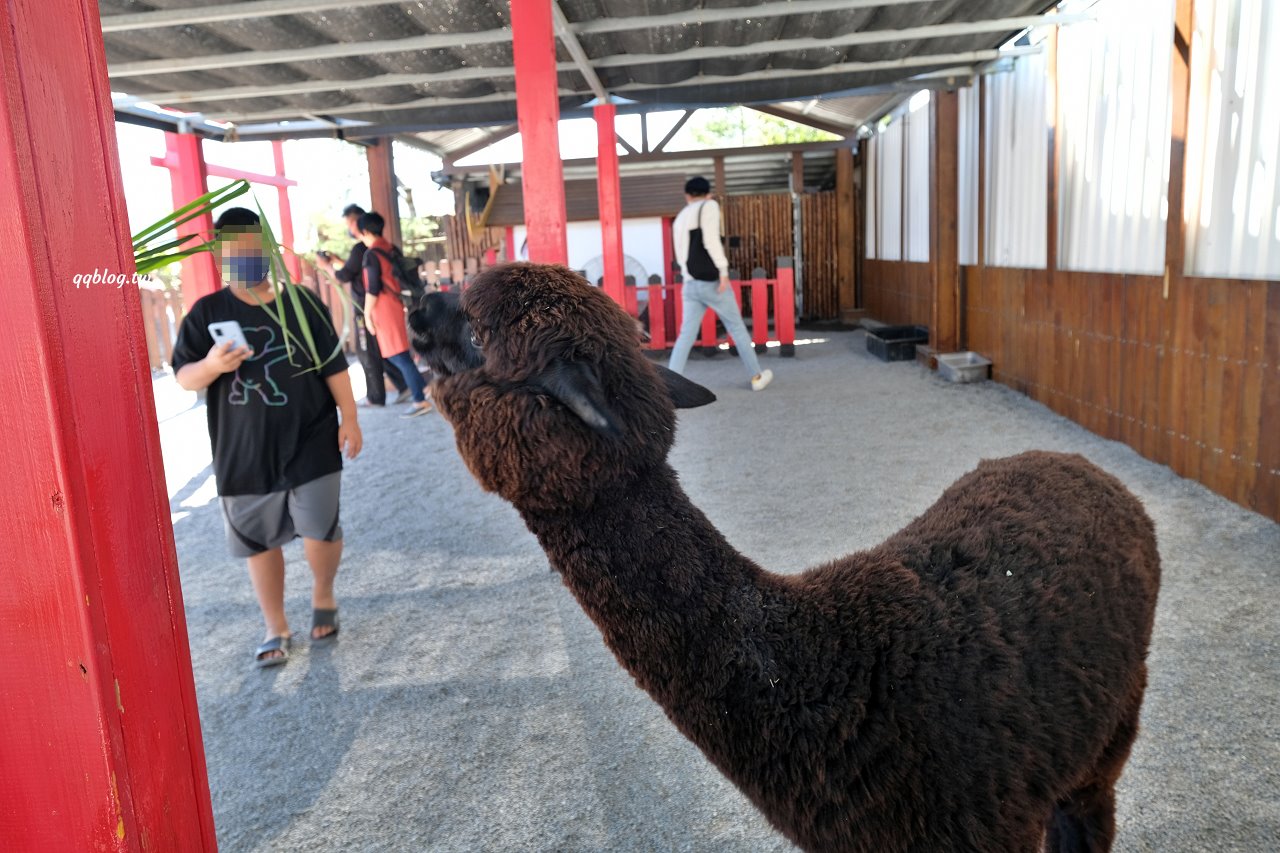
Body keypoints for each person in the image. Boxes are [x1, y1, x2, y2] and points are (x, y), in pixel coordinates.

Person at [171, 207, 363, 668]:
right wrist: (214, 366)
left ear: (268, 249)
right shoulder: (207, 313)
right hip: (243, 452)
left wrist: (350, 417)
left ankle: (323, 595)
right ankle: (275, 625)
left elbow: (334, 364)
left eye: (253, 249)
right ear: (220, 254)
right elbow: (184, 377)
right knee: (259, 544)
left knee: (320, 529)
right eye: (235, 251)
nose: (246, 258)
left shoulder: (301, 302)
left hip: (311, 438)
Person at [668, 176, 773, 391]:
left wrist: (689, 276)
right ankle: (756, 377)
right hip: (712, 282)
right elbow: (710, 240)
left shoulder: (679, 217)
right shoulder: (709, 206)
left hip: (690, 284)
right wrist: (723, 270)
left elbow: (680, 255)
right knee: (736, 327)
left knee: (686, 335)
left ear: (687, 195)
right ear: (708, 193)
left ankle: (670, 384)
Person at [314, 203, 409, 407]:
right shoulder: (383, 246)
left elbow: (346, 276)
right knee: (383, 349)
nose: (350, 228)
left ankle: (378, 396)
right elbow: (353, 270)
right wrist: (337, 261)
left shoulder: (363, 249)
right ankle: (405, 385)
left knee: (367, 351)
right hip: (384, 306)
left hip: (367, 306)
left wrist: (326, 266)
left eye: (350, 223)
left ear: (360, 224)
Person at [357, 211, 433, 417]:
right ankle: (422, 389)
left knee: (398, 356)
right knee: (399, 355)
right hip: (396, 305)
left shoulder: (372, 254)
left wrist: (366, 314)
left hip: (383, 309)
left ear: (364, 231)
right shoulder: (390, 249)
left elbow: (372, 288)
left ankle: (420, 399)